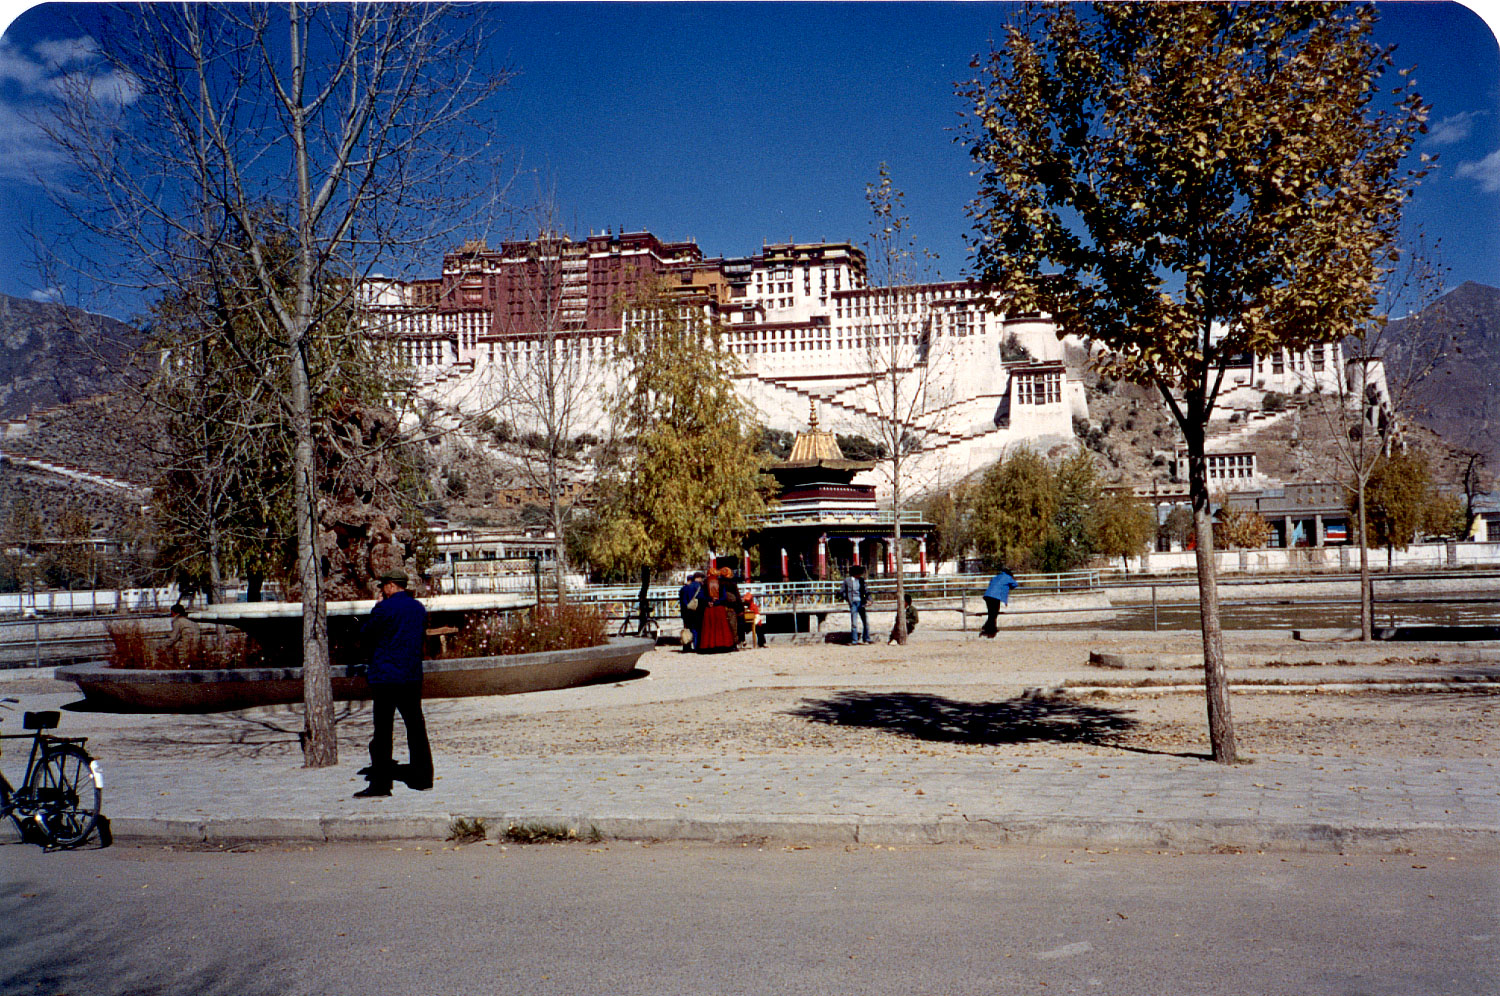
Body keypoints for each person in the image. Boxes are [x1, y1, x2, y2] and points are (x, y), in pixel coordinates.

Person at [355, 568, 432, 798]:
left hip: (386, 677)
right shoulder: (418, 608)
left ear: (389, 586)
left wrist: (375, 607)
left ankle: (381, 784)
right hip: (410, 675)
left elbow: (366, 634)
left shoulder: (384, 608)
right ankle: (423, 778)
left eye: (383, 587)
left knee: (383, 730)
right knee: (416, 727)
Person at [696, 568, 739, 653]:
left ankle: (709, 646)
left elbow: (700, 596)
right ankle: (722, 645)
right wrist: (716, 602)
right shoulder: (720, 583)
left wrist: (709, 601)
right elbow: (723, 597)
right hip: (719, 608)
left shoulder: (704, 584)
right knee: (720, 628)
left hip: (708, 608)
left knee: (709, 627)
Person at [979, 568, 1018, 638]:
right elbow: (1015, 584)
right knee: (994, 613)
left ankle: (991, 629)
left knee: (991, 613)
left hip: (987, 595)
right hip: (995, 597)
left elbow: (991, 583)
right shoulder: (1008, 577)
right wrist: (1009, 586)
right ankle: (988, 628)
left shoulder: (996, 577)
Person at [842, 565, 872, 644]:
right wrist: (847, 599)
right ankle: (854, 639)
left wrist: (869, 599)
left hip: (861, 602)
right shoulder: (847, 581)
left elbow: (866, 591)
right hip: (853, 603)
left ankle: (866, 638)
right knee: (854, 622)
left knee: (865, 621)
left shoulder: (861, 580)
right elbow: (843, 591)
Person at [677, 571, 706, 652]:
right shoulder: (700, 586)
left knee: (687, 629)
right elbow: (702, 598)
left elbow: (683, 600)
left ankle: (686, 645)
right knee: (697, 629)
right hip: (697, 611)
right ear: (699, 578)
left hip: (687, 612)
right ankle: (697, 646)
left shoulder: (685, 588)